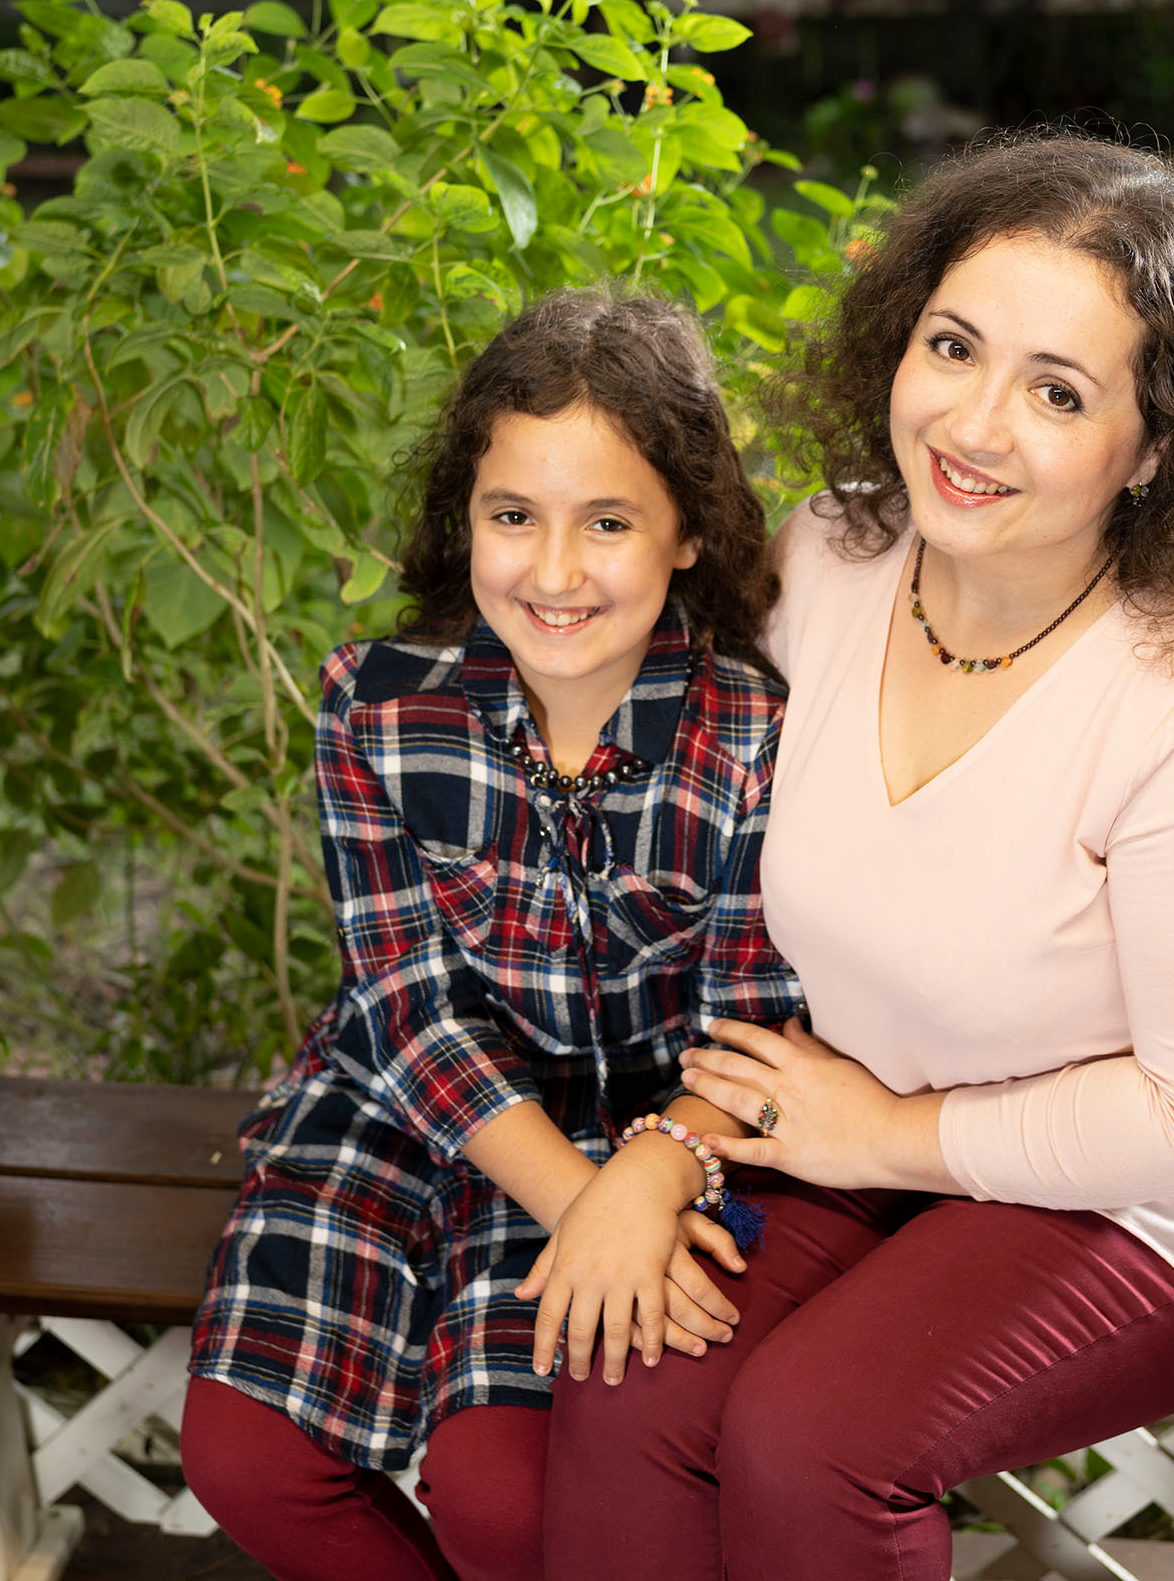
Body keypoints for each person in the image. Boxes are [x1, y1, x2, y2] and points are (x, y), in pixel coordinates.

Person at [542, 131, 1174, 1579]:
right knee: (629, 1381)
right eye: (955, 347)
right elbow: (719, 907)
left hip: (1171, 1189)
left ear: (1157, 447)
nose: (974, 425)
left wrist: (884, 1138)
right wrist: (668, 1146)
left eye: (1058, 391)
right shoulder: (831, 563)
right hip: (876, 1109)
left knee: (817, 1437)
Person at [182, 290, 801, 1581]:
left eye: (610, 522)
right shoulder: (377, 703)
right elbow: (403, 1005)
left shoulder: (755, 732)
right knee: (249, 1456)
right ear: (463, 513)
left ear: (690, 531)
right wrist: (587, 1213)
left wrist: (637, 1184)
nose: (555, 572)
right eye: (513, 516)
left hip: (636, 1128)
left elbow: (757, 1020)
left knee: (504, 1497)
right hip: (402, 1107)